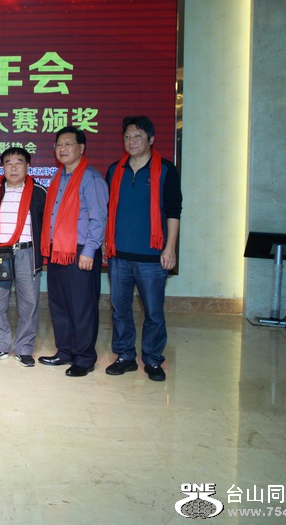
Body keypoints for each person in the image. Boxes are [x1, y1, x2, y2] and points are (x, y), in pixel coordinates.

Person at [104, 115, 182, 382]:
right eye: (127, 136)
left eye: (137, 136)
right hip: (119, 255)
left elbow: (174, 212)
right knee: (120, 310)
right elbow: (109, 211)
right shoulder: (115, 170)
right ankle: (125, 356)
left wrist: (170, 248)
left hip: (152, 256)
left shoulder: (166, 170)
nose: (131, 141)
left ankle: (152, 359)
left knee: (154, 312)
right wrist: (106, 241)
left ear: (151, 139)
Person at [39, 127, 109, 377]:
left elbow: (98, 218)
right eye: (59, 144)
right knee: (60, 304)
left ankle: (84, 357)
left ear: (81, 148)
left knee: (82, 306)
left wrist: (89, 251)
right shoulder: (59, 177)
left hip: (80, 251)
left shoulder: (91, 178)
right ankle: (65, 351)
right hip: (59, 250)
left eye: (68, 144)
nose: (62, 148)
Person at [0, 146, 47, 367]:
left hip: (26, 253)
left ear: (28, 166)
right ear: (2, 167)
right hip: (0, 253)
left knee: (29, 303)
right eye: (8, 163)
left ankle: (24, 348)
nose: (13, 168)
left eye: (18, 163)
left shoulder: (39, 192)